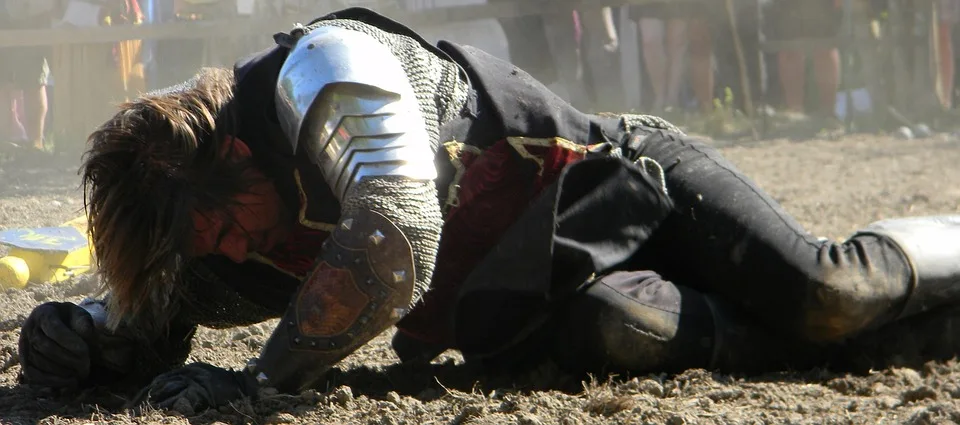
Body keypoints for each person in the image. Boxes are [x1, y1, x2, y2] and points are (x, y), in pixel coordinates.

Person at [16, 7, 960, 413]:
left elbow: (393, 237)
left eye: (215, 221)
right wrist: (85, 339)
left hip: (625, 185)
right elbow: (143, 327)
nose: (222, 248)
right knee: (614, 328)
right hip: (549, 299)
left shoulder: (323, 74)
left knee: (829, 294)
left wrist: (263, 384)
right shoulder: (218, 224)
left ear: (229, 150)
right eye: (199, 242)